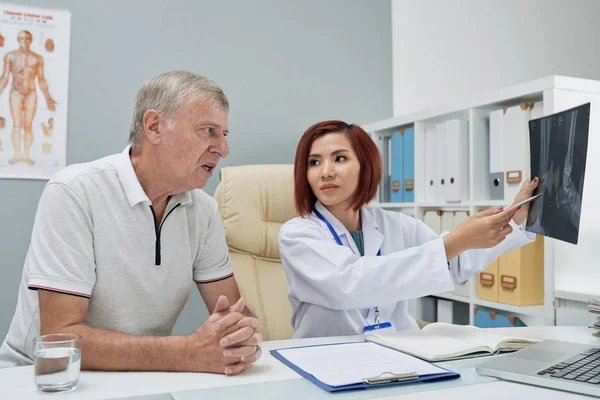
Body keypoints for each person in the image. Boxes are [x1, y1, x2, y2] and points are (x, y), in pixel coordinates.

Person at [0, 71, 262, 375]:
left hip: (143, 377)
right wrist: (188, 353)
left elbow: (232, 314)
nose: (223, 149)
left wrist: (240, 336)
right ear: (154, 127)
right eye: (208, 131)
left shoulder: (203, 209)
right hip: (42, 377)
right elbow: (60, 340)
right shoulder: (74, 192)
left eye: (224, 135)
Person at [279, 120, 539, 338]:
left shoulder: (395, 224)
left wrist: (514, 219)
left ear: (365, 165)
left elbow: (454, 263)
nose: (325, 172)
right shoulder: (297, 236)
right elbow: (354, 283)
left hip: (395, 353)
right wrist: (453, 242)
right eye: (314, 162)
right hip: (325, 360)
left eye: (340, 158)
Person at [0, 30, 57, 165]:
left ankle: (26, 155)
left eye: (26, 38)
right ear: (17, 39)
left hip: (31, 92)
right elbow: (5, 76)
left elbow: (41, 79)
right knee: (17, 124)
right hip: (16, 93)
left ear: (30, 40)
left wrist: (48, 97)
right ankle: (17, 154)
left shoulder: (37, 58)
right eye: (21, 38)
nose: (24, 41)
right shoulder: (10, 56)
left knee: (28, 125)